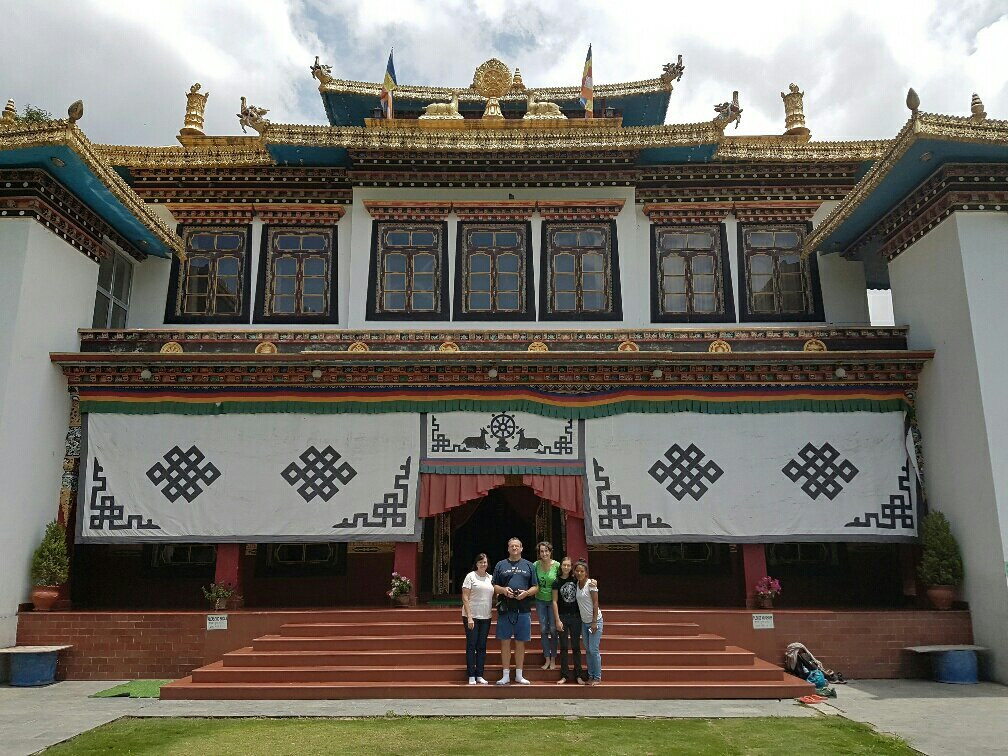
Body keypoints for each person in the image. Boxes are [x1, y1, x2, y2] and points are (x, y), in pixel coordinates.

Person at [491, 536, 538, 685]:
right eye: (512, 546)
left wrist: (526, 593)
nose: (514, 548)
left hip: (523, 609)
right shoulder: (501, 565)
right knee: (505, 642)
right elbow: (494, 586)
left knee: (520, 642)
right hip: (506, 608)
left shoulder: (529, 565)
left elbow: (536, 587)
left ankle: (519, 674)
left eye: (517, 546)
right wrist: (504, 590)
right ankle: (505, 674)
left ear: (522, 548)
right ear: (508, 548)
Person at [461, 553, 493, 685]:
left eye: (485, 562)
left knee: (482, 646)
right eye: (480, 562)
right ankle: (471, 675)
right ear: (476, 563)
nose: (483, 564)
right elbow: (465, 597)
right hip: (471, 616)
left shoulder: (491, 578)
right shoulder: (470, 576)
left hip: (486, 616)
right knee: (471, 645)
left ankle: (480, 674)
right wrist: (469, 617)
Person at [551, 555, 584, 684]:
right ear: (561, 566)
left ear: (571, 567)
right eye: (564, 565)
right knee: (564, 647)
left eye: (568, 565)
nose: (566, 567)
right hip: (563, 617)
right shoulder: (556, 582)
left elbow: (587, 582)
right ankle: (564, 675)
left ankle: (578, 675)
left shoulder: (576, 580)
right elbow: (554, 601)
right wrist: (557, 620)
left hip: (576, 617)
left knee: (576, 647)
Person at [574, 558, 603, 685]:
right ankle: (590, 675)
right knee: (588, 649)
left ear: (586, 573)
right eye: (577, 571)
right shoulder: (576, 584)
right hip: (584, 622)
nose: (579, 573)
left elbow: (596, 603)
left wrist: (594, 622)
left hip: (594, 621)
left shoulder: (590, 584)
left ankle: (597, 676)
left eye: (582, 571)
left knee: (594, 649)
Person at [533, 541, 560, 671]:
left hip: (553, 601)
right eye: (541, 551)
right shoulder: (535, 565)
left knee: (554, 629)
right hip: (540, 600)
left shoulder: (557, 566)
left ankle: (554, 658)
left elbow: (568, 576)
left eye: (546, 551)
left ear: (550, 551)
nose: (544, 553)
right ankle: (547, 658)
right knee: (543, 629)